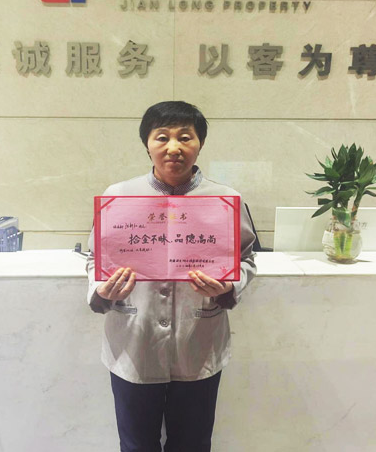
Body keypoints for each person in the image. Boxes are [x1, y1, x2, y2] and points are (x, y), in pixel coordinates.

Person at [86, 101, 256, 452]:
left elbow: (247, 259)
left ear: (200, 144)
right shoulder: (118, 196)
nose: (174, 147)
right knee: (136, 444)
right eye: (162, 137)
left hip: (198, 344)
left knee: (192, 443)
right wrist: (101, 289)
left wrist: (229, 284)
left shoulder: (225, 199)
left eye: (185, 137)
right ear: (147, 144)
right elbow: (93, 259)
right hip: (133, 342)